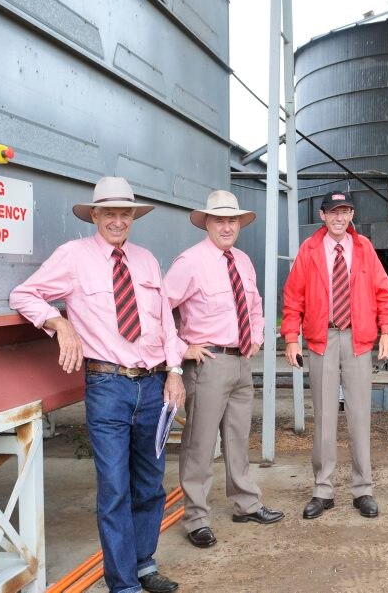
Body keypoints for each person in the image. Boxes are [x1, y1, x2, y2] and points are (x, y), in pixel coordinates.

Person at [10, 176, 184, 593]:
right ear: (95, 216)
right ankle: (123, 585)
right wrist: (59, 322)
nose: (118, 221)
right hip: (108, 386)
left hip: (154, 383)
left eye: (125, 213)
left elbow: (166, 322)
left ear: (133, 218)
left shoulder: (146, 260)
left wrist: (175, 371)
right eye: (110, 213)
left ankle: (144, 566)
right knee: (115, 489)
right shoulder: (73, 256)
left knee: (149, 484)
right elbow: (24, 294)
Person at [163, 190, 284, 547]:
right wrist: (184, 348)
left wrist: (258, 337)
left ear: (239, 224)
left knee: (237, 438)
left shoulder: (243, 261)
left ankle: (246, 503)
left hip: (241, 360)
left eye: (232, 220)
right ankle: (196, 518)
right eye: (220, 220)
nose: (227, 226)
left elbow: (256, 304)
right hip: (208, 363)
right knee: (200, 444)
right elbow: (159, 311)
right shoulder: (189, 262)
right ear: (208, 223)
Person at [281, 190, 388, 520]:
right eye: (333, 212)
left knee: (360, 416)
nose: (339, 218)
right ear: (322, 215)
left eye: (345, 212)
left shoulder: (363, 249)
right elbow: (293, 298)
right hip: (322, 339)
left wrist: (386, 330)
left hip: (358, 339)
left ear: (351, 216)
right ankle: (323, 489)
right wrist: (292, 338)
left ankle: (363, 489)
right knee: (324, 417)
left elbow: (383, 292)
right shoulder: (310, 250)